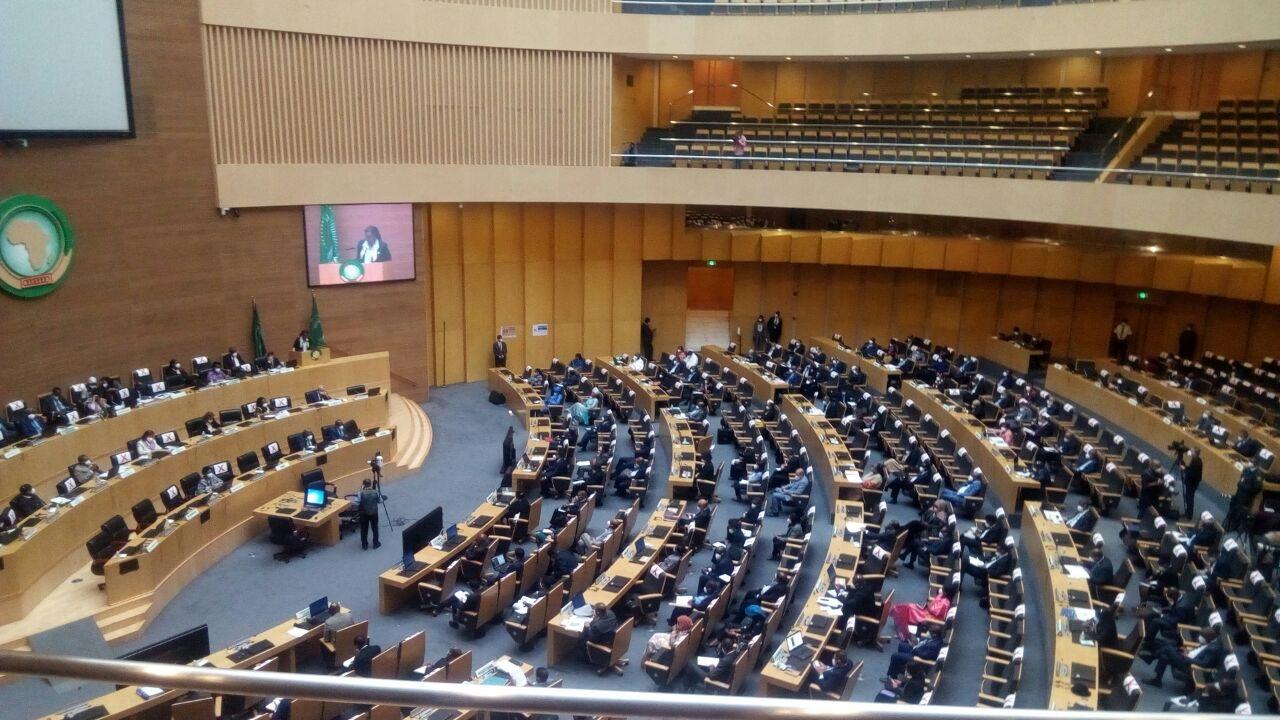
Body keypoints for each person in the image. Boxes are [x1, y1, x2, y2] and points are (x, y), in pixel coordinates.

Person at [888, 584, 954, 641]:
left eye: (943, 590)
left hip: (930, 617)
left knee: (909, 608)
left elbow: (934, 611)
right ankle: (901, 629)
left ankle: (902, 632)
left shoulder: (945, 603)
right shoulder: (942, 595)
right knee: (908, 607)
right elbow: (932, 604)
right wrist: (929, 605)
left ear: (946, 593)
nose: (941, 591)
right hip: (926, 611)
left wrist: (929, 605)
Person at [582, 603, 628, 676]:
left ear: (597, 612)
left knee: (584, 638)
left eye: (594, 610)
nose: (593, 611)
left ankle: (587, 658)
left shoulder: (597, 626)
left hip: (606, 643)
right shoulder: (611, 613)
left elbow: (591, 638)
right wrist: (595, 618)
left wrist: (587, 627)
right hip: (615, 638)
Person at [358, 479, 381, 550]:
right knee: (375, 528)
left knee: (364, 529)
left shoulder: (360, 493)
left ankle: (364, 545)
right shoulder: (375, 491)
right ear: (370, 484)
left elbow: (357, 502)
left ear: (363, 485)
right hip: (374, 513)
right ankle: (376, 543)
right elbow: (380, 501)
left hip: (364, 513)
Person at [1180, 447, 1203, 518]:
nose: (1190, 452)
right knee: (1188, 497)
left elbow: (1192, 473)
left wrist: (1184, 469)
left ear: (1195, 453)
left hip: (1192, 483)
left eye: (1192, 451)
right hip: (1192, 481)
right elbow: (1191, 469)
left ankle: (1189, 514)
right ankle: (1188, 512)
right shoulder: (1196, 460)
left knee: (1189, 498)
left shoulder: (1196, 461)